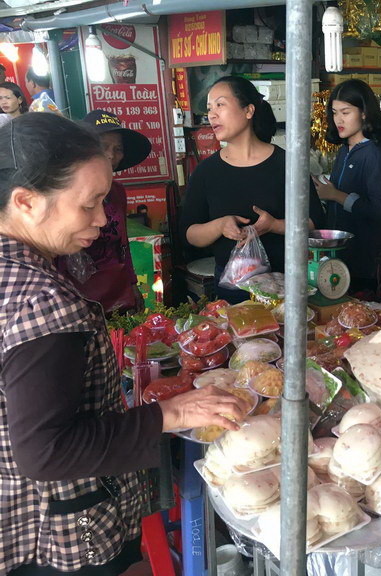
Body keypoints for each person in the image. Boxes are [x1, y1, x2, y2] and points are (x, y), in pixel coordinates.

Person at [0, 113, 250, 574]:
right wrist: (172, 413)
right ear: (26, 201)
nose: (101, 218)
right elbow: (46, 451)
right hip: (59, 538)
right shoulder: (40, 302)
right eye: (89, 203)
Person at [181, 75, 325, 304]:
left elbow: (315, 223)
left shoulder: (287, 165)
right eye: (209, 108)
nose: (212, 114)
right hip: (231, 289)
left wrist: (274, 225)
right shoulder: (206, 171)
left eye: (220, 104)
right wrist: (220, 225)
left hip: (285, 285)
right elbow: (190, 234)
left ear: (248, 111)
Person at [57, 109, 150, 314]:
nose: (111, 154)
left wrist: (132, 284)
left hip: (116, 288)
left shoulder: (118, 192)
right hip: (77, 293)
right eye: (103, 146)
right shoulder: (65, 191)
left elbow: (123, 244)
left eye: (118, 148)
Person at [312, 78, 381, 296]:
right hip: (341, 255)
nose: (338, 119)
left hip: (363, 260)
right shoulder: (345, 149)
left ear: (364, 113)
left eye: (346, 112)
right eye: (335, 112)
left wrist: (336, 195)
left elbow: (380, 209)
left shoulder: (373, 155)